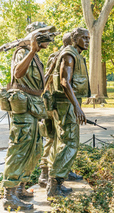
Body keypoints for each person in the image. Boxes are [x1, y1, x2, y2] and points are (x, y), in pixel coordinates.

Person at [1, 22, 56, 210]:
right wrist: (32, 51)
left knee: (33, 149)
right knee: (19, 149)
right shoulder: (23, 52)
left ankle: (20, 189)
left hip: (33, 106)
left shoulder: (35, 55)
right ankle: (9, 195)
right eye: (47, 35)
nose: (51, 39)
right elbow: (17, 72)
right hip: (23, 109)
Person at [47, 28, 91, 197]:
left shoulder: (75, 53)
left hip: (69, 103)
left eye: (88, 38)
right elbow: (65, 81)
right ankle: (54, 185)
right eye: (83, 38)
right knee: (69, 142)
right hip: (66, 104)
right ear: (74, 39)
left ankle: (59, 179)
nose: (87, 41)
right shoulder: (69, 54)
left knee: (66, 141)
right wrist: (77, 107)